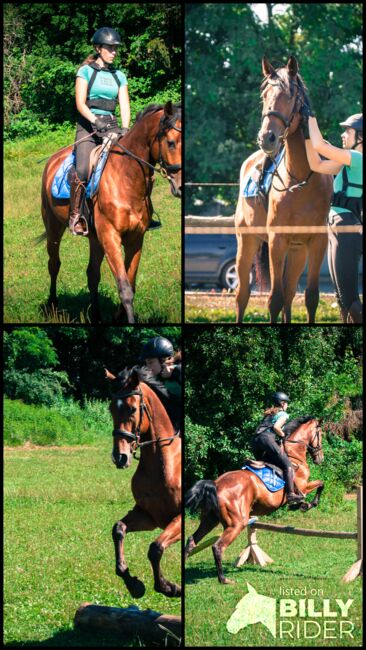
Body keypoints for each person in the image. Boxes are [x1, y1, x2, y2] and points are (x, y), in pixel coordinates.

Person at [301, 105, 363, 323]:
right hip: (338, 229)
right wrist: (306, 135)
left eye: (348, 131)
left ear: (361, 138)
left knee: (352, 303)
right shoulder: (349, 163)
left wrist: (310, 116)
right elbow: (316, 163)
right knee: (343, 300)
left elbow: (320, 145)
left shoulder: (357, 158)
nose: (343, 135)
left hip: (345, 229)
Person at [69, 27, 130, 235]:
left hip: (112, 127)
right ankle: (76, 216)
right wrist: (96, 121)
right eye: (110, 48)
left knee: (133, 163)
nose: (114, 51)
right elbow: (80, 103)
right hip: (88, 127)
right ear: (98, 48)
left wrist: (125, 128)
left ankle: (142, 213)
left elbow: (124, 106)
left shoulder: (119, 76)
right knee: (84, 169)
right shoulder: (85, 72)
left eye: (116, 48)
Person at [251, 392, 304, 504]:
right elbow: (276, 427)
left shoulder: (269, 413)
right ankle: (290, 494)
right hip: (266, 440)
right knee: (288, 465)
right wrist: (283, 435)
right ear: (283, 403)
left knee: (266, 463)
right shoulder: (283, 414)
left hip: (255, 441)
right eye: (287, 403)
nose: (287, 406)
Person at [140, 337, 181, 431]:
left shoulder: (178, 370)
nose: (148, 367)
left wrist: (176, 372)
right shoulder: (155, 378)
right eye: (146, 363)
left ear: (163, 360)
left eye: (150, 362)